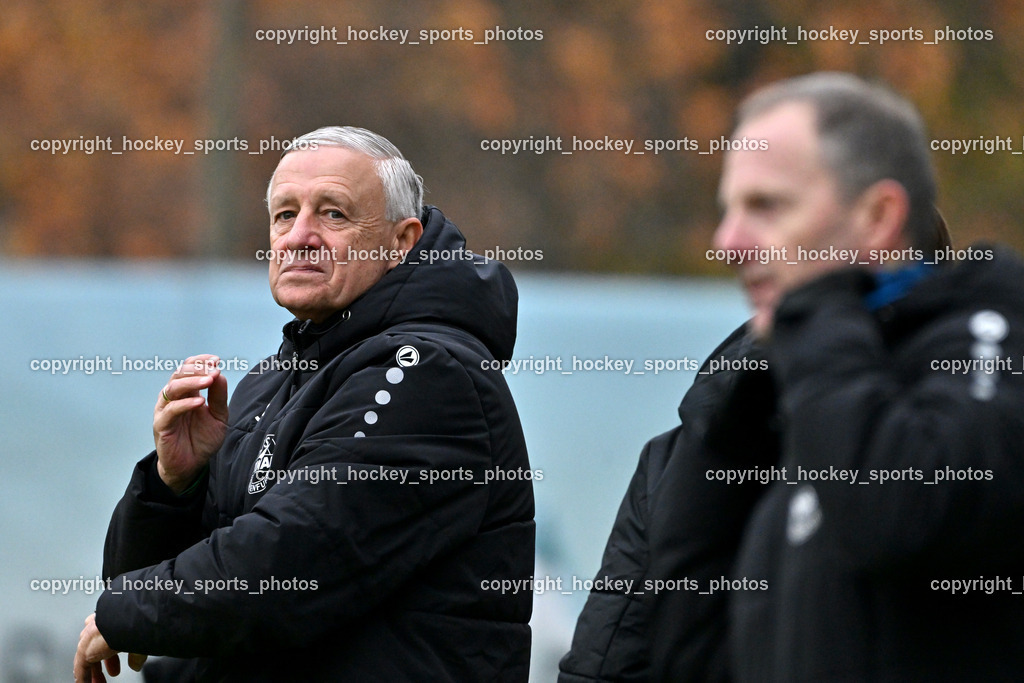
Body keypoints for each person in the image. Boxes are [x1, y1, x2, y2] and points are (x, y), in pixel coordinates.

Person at [73, 126, 535, 682]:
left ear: (400, 241)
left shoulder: (427, 374)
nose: (299, 236)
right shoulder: (272, 380)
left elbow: (292, 562)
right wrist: (175, 487)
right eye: (283, 215)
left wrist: (124, 611)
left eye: (333, 214)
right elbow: (162, 605)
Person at [653, 71, 1024, 681]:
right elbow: (690, 651)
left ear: (879, 217)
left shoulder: (988, 344)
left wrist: (819, 310)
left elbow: (902, 515)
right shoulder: (792, 393)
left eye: (767, 206)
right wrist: (734, 425)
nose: (729, 242)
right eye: (729, 210)